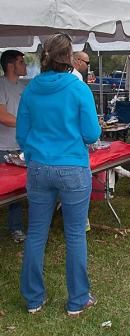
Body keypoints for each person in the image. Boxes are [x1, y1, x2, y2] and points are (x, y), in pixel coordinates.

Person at [16, 33, 101, 315]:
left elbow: (21, 135)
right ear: (69, 57)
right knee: (75, 235)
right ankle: (78, 300)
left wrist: (36, 150)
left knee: (36, 233)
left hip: (39, 167)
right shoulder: (78, 89)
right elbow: (91, 133)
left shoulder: (31, 89)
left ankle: (33, 299)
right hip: (73, 167)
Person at [0, 49, 28, 243]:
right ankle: (16, 228)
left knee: (18, 191)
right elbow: (3, 117)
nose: (25, 65)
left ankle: (16, 228)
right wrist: (27, 123)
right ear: (11, 65)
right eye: (21, 62)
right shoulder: (1, 85)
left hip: (20, 146)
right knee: (7, 191)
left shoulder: (22, 86)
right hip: (3, 147)